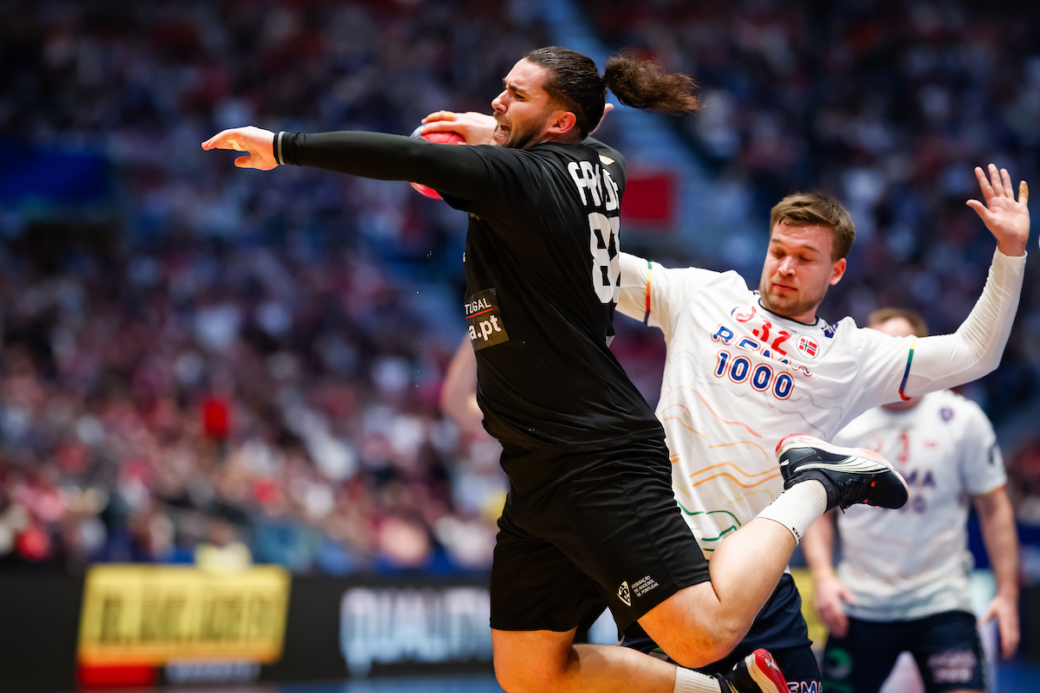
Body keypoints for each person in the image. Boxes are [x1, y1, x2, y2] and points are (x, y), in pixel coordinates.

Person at [204, 46, 911, 693]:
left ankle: (817, 482)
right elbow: (572, 146)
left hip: (595, 453)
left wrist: (283, 146)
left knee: (705, 632)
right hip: (539, 463)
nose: (497, 100)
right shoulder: (603, 167)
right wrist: (491, 129)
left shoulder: (517, 178)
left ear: (561, 119)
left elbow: (405, 158)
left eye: (516, 94)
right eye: (503, 89)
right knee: (531, 673)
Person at [605, 168, 1028, 691]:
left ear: (837, 270)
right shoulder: (701, 295)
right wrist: (528, 171)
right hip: (673, 562)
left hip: (761, 578)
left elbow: (974, 353)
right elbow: (596, 265)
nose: (785, 267)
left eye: (805, 258)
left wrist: (1010, 252)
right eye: (778, 251)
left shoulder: (850, 355)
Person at [801, 308, 1019, 693]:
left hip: (942, 602)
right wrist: (823, 576)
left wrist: (1007, 594)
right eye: (879, 349)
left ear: (924, 354)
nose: (890, 359)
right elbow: (817, 509)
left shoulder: (962, 419)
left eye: (900, 349)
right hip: (859, 603)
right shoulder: (843, 422)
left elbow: (994, 507)